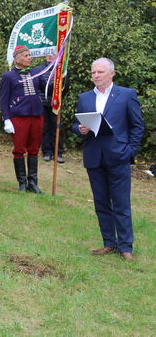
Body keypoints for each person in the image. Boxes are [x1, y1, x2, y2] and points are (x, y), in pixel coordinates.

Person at [72, 58, 143, 261]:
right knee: (101, 203)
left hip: (118, 156)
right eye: (93, 72)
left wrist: (129, 151)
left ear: (112, 73)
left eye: (100, 72)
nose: (96, 76)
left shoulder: (126, 95)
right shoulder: (84, 97)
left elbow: (137, 126)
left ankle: (126, 246)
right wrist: (80, 129)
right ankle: (108, 243)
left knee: (121, 203)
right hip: (94, 156)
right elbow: (74, 125)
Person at [0, 45, 44, 193]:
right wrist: (6, 119)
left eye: (29, 55)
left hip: (37, 115)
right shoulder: (8, 76)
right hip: (19, 117)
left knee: (34, 149)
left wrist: (59, 79)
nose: (29, 58)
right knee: (19, 149)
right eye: (26, 55)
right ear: (17, 58)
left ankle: (33, 182)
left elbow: (47, 89)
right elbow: (4, 99)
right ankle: (22, 183)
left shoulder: (36, 72)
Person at [34, 54, 65, 163]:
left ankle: (58, 152)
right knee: (44, 128)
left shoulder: (61, 69)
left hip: (55, 104)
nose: (50, 57)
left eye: (53, 55)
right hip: (42, 103)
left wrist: (57, 99)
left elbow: (65, 87)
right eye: (48, 55)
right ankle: (47, 152)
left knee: (56, 128)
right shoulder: (38, 69)